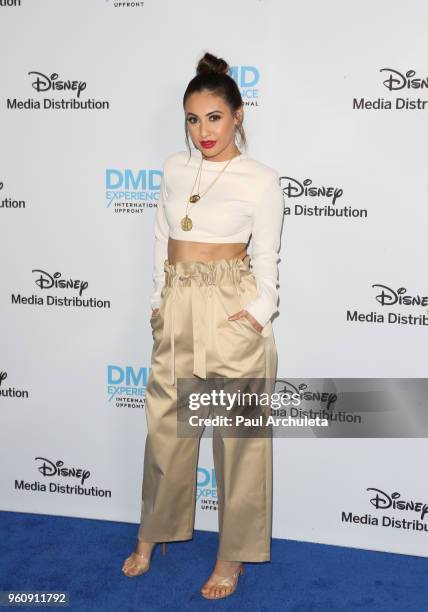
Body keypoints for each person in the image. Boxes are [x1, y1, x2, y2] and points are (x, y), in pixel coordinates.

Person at [122, 51, 284, 600]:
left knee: (237, 440)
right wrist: (157, 299)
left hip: (231, 306)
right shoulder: (173, 167)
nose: (202, 131)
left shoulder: (261, 179)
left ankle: (232, 555)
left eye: (214, 117)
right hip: (178, 303)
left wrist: (259, 312)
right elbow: (160, 238)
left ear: (238, 114)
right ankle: (154, 532)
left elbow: (267, 260)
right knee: (166, 430)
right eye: (193, 119)